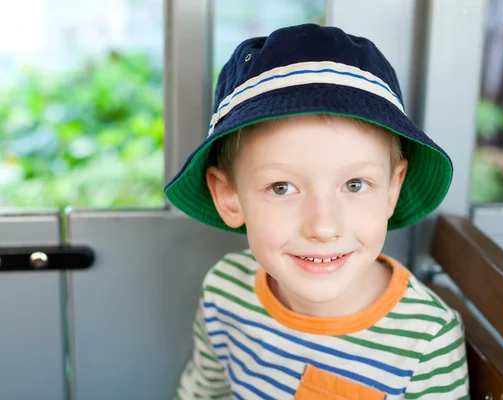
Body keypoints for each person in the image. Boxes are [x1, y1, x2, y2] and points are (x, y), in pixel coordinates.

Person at [165, 23, 468, 400]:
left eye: (355, 185)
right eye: (282, 187)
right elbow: (202, 394)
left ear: (393, 188)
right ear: (230, 197)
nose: (323, 227)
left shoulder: (426, 339)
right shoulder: (225, 293)